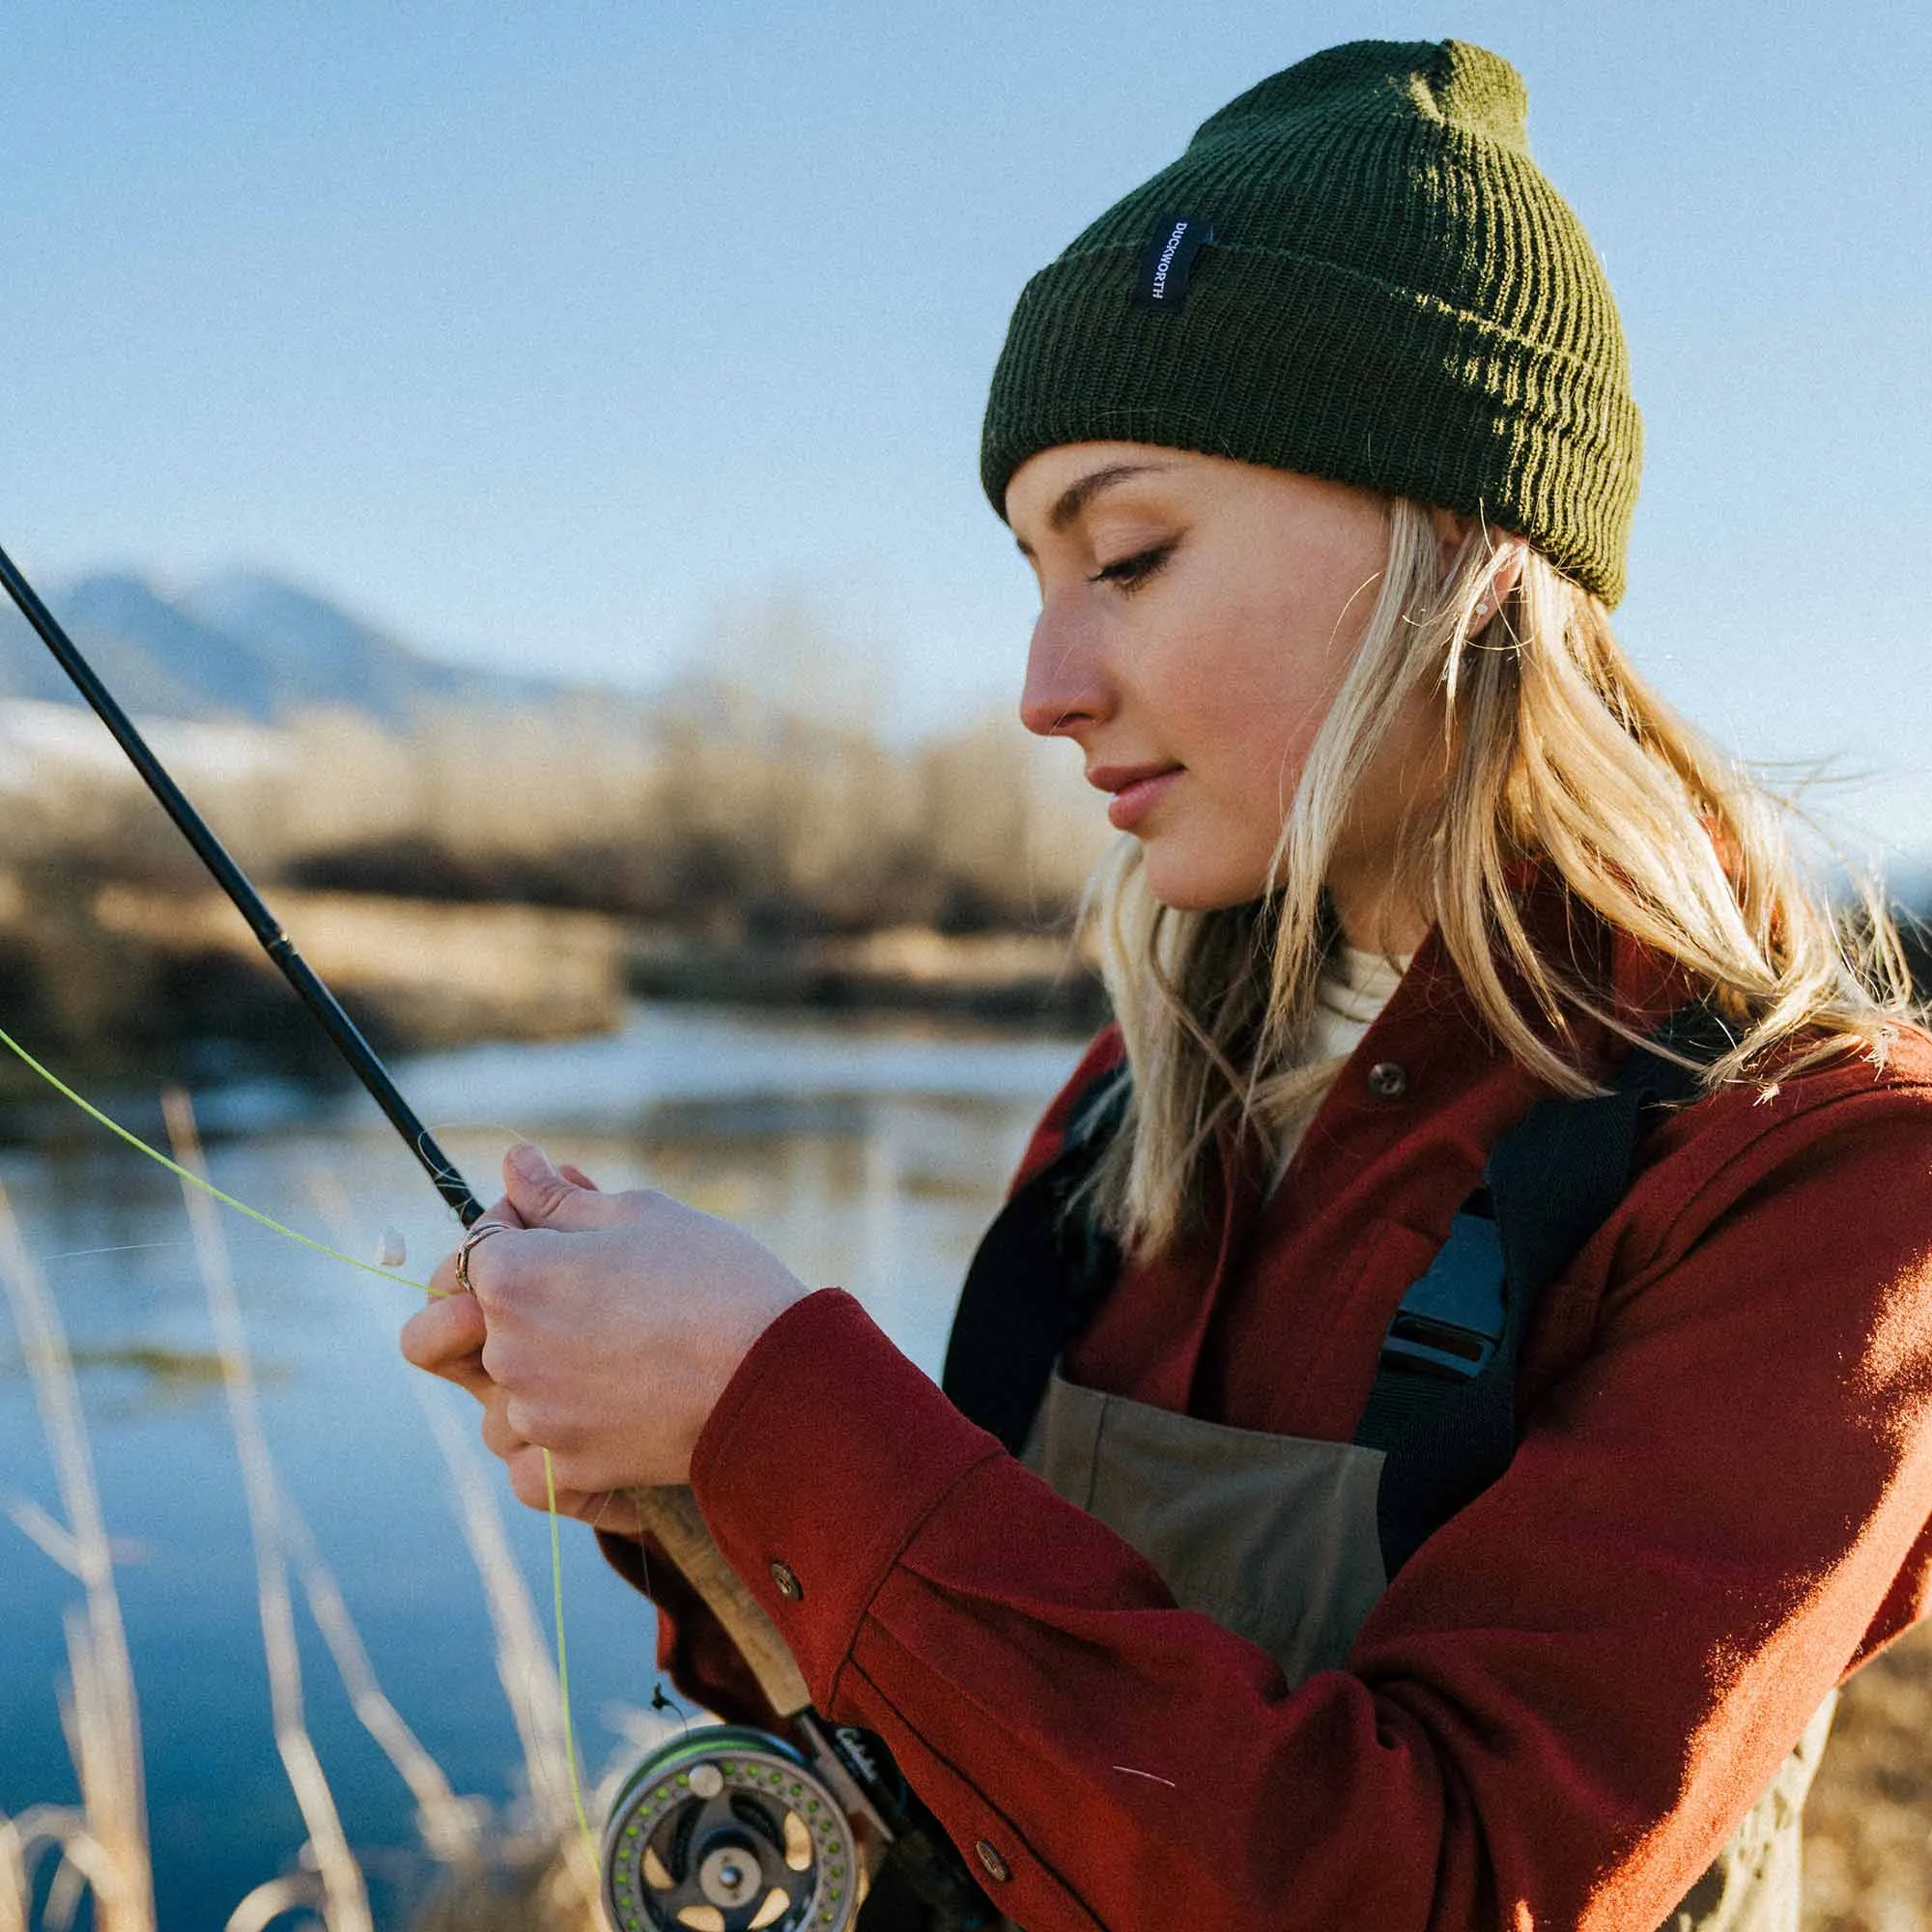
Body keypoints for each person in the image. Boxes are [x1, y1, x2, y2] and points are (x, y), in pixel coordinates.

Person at [399, 38, 1932, 1931]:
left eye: (1126, 554)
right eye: (1034, 574)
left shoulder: (1818, 1179)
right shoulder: (1143, 1090)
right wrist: (701, 1480)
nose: (1042, 684)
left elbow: (1442, 1887)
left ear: (1454, 544)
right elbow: (970, 1739)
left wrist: (774, 1398)